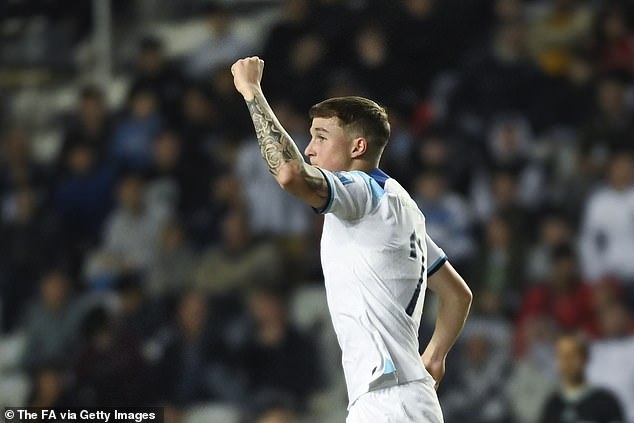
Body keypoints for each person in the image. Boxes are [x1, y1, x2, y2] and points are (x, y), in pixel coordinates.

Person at [231, 56, 472, 423]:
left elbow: (290, 174)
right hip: (396, 398)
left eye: (320, 137)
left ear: (357, 147)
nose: (309, 148)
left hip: (389, 401)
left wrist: (252, 92)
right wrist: (434, 356)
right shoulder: (399, 205)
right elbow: (457, 294)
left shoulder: (360, 192)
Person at [539, 333, 625, 423]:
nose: (568, 362)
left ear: (585, 358)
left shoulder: (605, 401)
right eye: (562, 356)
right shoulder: (552, 404)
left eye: (573, 355)